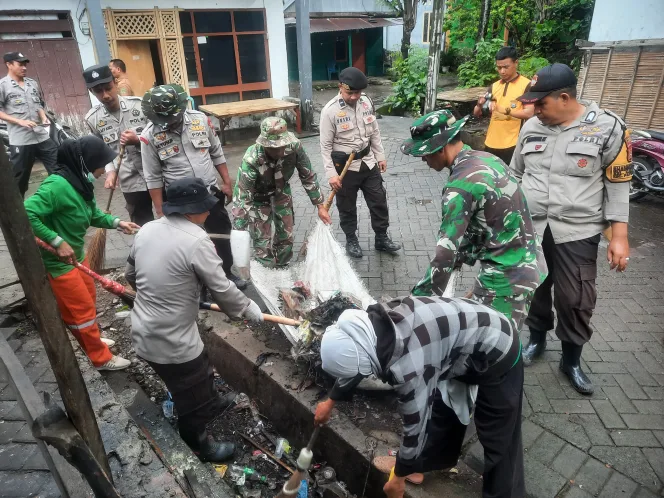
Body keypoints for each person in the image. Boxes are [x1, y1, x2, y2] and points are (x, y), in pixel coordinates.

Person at [314, 296, 524, 498]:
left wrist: (397, 479)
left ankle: (504, 493)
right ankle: (419, 466)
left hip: (499, 348)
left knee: (498, 437)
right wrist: (330, 401)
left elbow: (415, 426)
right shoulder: (373, 327)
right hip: (455, 343)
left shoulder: (409, 369)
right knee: (442, 410)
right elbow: (357, 360)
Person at [510, 63, 631, 394]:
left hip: (577, 229)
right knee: (534, 287)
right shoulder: (532, 126)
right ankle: (536, 340)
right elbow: (516, 174)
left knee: (575, 297)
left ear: (564, 97)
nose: (533, 110)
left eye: (540, 103)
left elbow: (618, 184)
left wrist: (619, 236)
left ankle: (571, 360)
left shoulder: (607, 128)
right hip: (531, 226)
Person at [125, 176, 264, 462]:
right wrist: (248, 308)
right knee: (191, 393)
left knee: (199, 368)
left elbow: (130, 275)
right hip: (171, 341)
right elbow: (222, 288)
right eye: (206, 206)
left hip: (142, 329)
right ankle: (199, 444)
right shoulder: (197, 240)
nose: (210, 211)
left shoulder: (147, 229)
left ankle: (210, 400)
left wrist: (168, 295)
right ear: (190, 210)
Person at [401, 110, 546, 330]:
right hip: (528, 262)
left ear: (441, 147)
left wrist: (416, 303)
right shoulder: (487, 158)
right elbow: (486, 223)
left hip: (506, 276)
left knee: (491, 348)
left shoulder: (459, 187)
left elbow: (444, 255)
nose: (423, 159)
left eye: (426, 153)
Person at [24, 136, 139, 371]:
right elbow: (26, 213)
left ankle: (90, 341)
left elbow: (93, 214)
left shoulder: (79, 184)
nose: (102, 170)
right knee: (82, 313)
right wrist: (56, 241)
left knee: (86, 305)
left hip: (76, 256)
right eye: (100, 163)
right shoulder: (56, 186)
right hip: (60, 263)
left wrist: (118, 223)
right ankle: (100, 359)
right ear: (84, 162)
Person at [139, 84, 246, 289]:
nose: (170, 122)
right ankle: (198, 284)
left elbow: (216, 152)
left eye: (173, 116)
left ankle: (226, 274)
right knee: (189, 243)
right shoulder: (148, 136)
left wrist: (226, 182)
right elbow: (152, 177)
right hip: (180, 202)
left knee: (221, 233)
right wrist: (160, 210)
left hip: (209, 194)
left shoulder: (200, 120)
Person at [320, 67, 401, 258]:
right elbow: (324, 147)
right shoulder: (330, 111)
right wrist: (331, 174)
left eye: (359, 92)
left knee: (379, 200)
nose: (356, 96)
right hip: (344, 168)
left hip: (368, 162)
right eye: (351, 92)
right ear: (340, 87)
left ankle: (381, 238)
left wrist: (380, 156)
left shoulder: (366, 102)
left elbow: (374, 131)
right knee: (347, 206)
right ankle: (351, 240)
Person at [231, 117, 330, 267]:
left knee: (286, 238)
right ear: (264, 144)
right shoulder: (251, 158)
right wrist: (239, 228)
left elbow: (307, 175)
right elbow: (243, 196)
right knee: (262, 242)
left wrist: (320, 206)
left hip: (281, 193)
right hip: (258, 198)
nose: (280, 150)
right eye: (274, 147)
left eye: (282, 145)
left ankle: (283, 268)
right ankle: (267, 275)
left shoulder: (294, 146)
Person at [83, 64, 154, 226]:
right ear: (91, 92)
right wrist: (110, 172)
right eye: (98, 92)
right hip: (129, 179)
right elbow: (102, 151)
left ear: (115, 83)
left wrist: (138, 140)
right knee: (141, 224)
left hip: (156, 173)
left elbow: (160, 138)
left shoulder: (140, 106)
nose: (105, 95)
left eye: (108, 88)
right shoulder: (93, 119)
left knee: (169, 217)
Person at [0, 51, 58, 197]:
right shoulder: (3, 86)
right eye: (20, 64)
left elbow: (38, 105)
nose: (24, 67)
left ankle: (60, 198)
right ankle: (19, 210)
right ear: (9, 64)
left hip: (40, 135)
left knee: (58, 166)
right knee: (20, 177)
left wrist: (43, 117)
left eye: (25, 64)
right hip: (21, 139)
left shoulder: (32, 83)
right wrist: (19, 121)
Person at [473, 46, 533, 166]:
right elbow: (477, 114)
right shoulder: (494, 86)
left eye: (506, 67)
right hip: (491, 141)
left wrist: (506, 110)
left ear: (516, 63)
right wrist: (479, 105)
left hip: (513, 143)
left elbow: (529, 113)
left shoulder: (526, 85)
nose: (502, 71)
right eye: (499, 67)